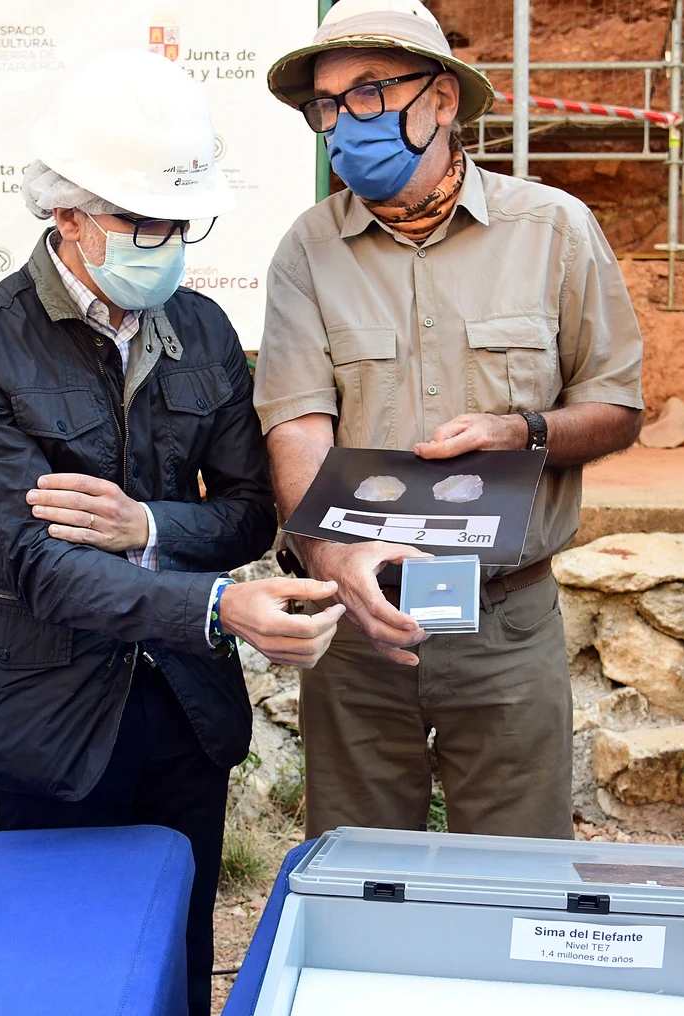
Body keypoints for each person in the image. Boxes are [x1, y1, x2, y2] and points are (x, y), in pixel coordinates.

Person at [0, 50, 343, 1016]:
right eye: (138, 221)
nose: (162, 243)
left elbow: (249, 512)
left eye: (178, 222)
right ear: (65, 212)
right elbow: (37, 563)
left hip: (185, 715)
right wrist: (215, 610)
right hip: (51, 724)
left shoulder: (200, 330)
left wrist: (150, 527)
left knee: (177, 956)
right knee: (55, 972)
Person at [254, 0, 645, 840]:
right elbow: (295, 425)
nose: (340, 124)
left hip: (503, 620)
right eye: (326, 105)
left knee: (515, 880)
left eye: (366, 93)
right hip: (358, 622)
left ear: (440, 100)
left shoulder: (553, 231)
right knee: (362, 881)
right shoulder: (308, 251)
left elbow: (615, 408)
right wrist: (334, 558)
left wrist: (524, 433)